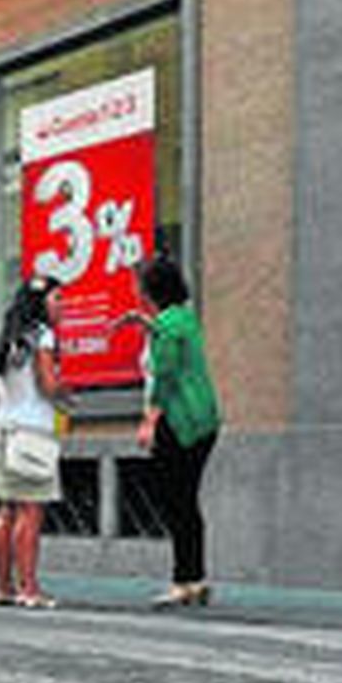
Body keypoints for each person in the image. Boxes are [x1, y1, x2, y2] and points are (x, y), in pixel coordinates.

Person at [114, 256, 223, 607]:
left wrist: (148, 422)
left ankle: (183, 582)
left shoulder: (165, 328)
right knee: (186, 501)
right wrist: (145, 323)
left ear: (149, 289)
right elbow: (171, 342)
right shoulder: (183, 318)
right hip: (204, 420)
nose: (135, 288)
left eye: (138, 283)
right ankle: (196, 579)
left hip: (179, 421)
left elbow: (164, 377)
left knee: (174, 501)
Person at [0, 276, 67, 609]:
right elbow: (48, 385)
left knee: (7, 509)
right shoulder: (43, 337)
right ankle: (30, 588)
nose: (62, 306)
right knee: (31, 511)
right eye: (57, 299)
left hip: (3, 428)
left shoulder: (8, 340)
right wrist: (67, 395)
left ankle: (4, 587)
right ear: (41, 303)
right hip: (32, 432)